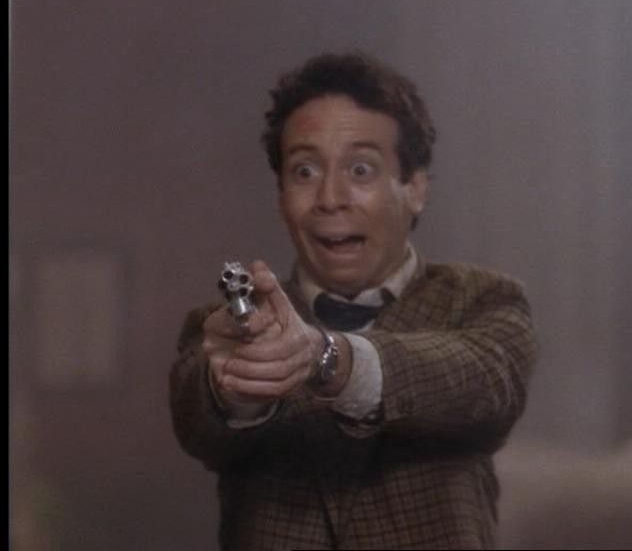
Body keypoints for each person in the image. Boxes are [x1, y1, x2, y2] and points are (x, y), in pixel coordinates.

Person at [169, 51, 537, 550]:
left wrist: (325, 357)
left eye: (360, 169)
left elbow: (485, 388)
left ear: (414, 188)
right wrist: (238, 382)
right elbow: (197, 424)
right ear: (280, 196)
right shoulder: (222, 325)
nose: (329, 198)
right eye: (304, 171)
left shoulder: (484, 299)